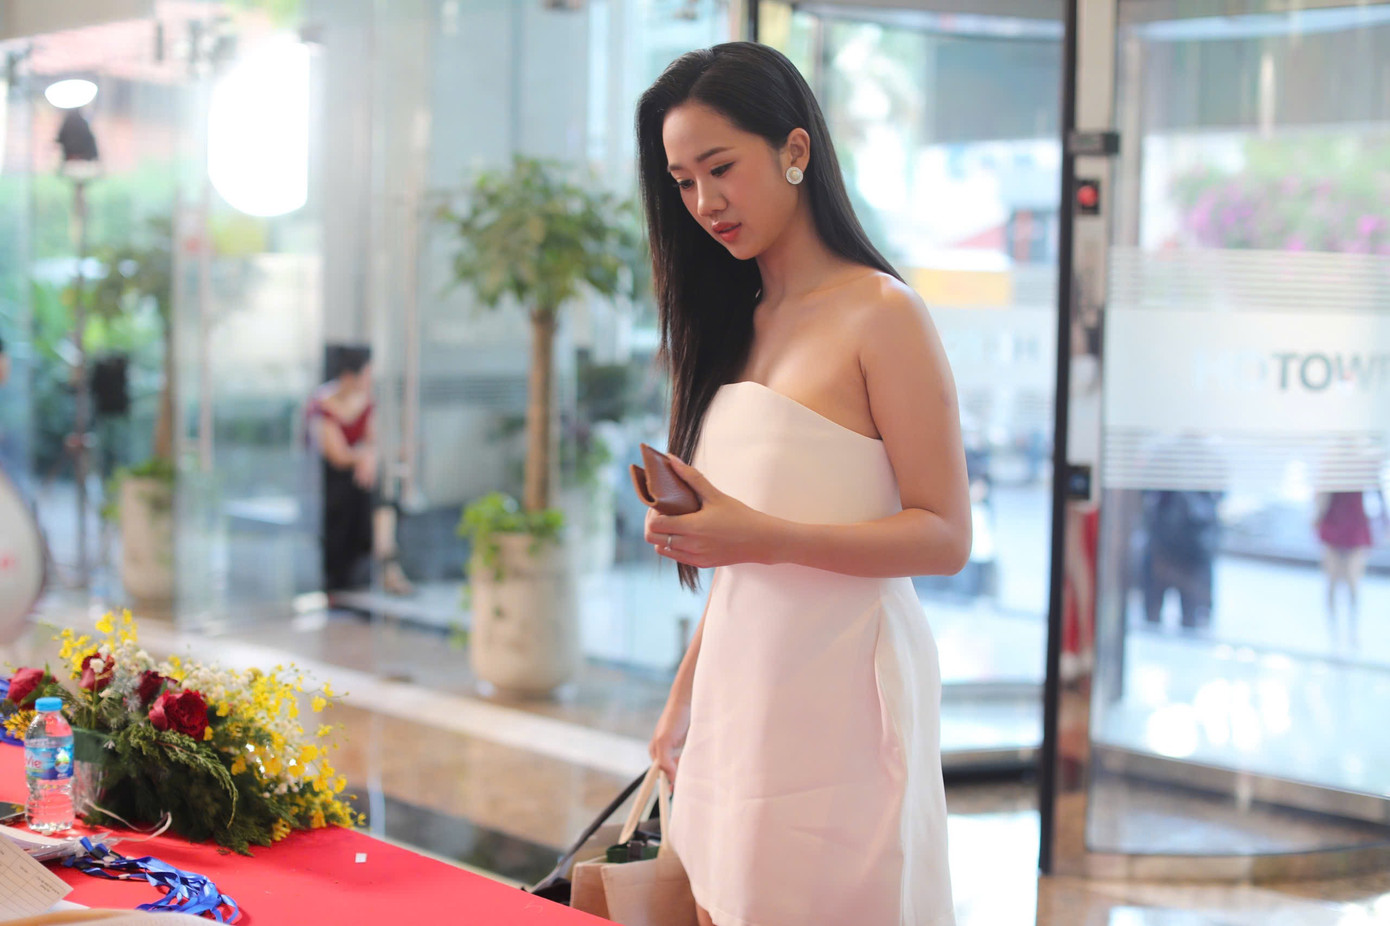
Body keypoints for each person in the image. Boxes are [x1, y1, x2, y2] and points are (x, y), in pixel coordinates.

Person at [636, 43, 970, 926]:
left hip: (845, 691)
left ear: (794, 149)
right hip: (741, 683)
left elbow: (945, 536)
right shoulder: (730, 324)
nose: (704, 203)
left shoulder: (881, 313)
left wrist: (758, 534)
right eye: (683, 181)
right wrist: (683, 699)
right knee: (726, 897)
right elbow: (740, 560)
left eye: (721, 169)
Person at [307, 346, 413, 596]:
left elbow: (371, 441)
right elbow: (338, 455)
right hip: (330, 482)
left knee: (381, 498)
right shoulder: (321, 405)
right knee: (370, 498)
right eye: (366, 374)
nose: (370, 380)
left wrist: (368, 459)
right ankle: (384, 566)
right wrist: (364, 458)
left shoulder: (365, 401)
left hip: (359, 477)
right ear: (348, 376)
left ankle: (386, 561)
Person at [1315, 490, 1384, 648]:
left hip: (1356, 526)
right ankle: (1333, 632)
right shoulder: (1332, 477)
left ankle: (1352, 631)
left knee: (1352, 583)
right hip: (1334, 524)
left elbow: (1377, 492)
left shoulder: (1362, 475)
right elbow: (1321, 495)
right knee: (1332, 583)